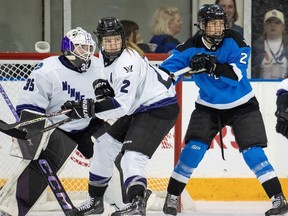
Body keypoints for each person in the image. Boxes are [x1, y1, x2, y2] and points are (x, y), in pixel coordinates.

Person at [158, 4, 288, 216]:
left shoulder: (236, 41)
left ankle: (278, 199)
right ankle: (172, 197)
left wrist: (211, 64)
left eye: (221, 25)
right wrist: (170, 76)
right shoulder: (189, 47)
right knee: (192, 151)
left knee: (253, 152)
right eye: (213, 25)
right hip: (208, 107)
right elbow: (165, 73)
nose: (218, 29)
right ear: (202, 26)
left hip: (243, 105)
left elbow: (237, 76)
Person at [60, 16, 179, 216]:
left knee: (131, 157)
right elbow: (112, 91)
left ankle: (137, 203)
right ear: (101, 41)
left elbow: (121, 107)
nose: (112, 44)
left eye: (116, 39)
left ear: (122, 39)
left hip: (159, 108)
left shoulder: (127, 63)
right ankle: (95, 201)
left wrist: (87, 108)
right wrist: (95, 94)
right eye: (107, 40)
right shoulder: (104, 55)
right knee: (103, 145)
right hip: (139, 107)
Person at [0, 27, 116, 216]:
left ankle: (124, 203)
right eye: (80, 48)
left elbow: (113, 97)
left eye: (88, 47)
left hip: (89, 123)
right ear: (68, 48)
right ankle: (9, 209)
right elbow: (30, 105)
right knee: (37, 169)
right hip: (57, 127)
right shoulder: (48, 70)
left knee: (113, 155)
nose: (86, 52)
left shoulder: (99, 66)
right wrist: (32, 131)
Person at [252, 9, 288, 79]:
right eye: (269, 22)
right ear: (264, 26)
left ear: (283, 26)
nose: (273, 25)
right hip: (261, 87)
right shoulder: (256, 47)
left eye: (277, 22)